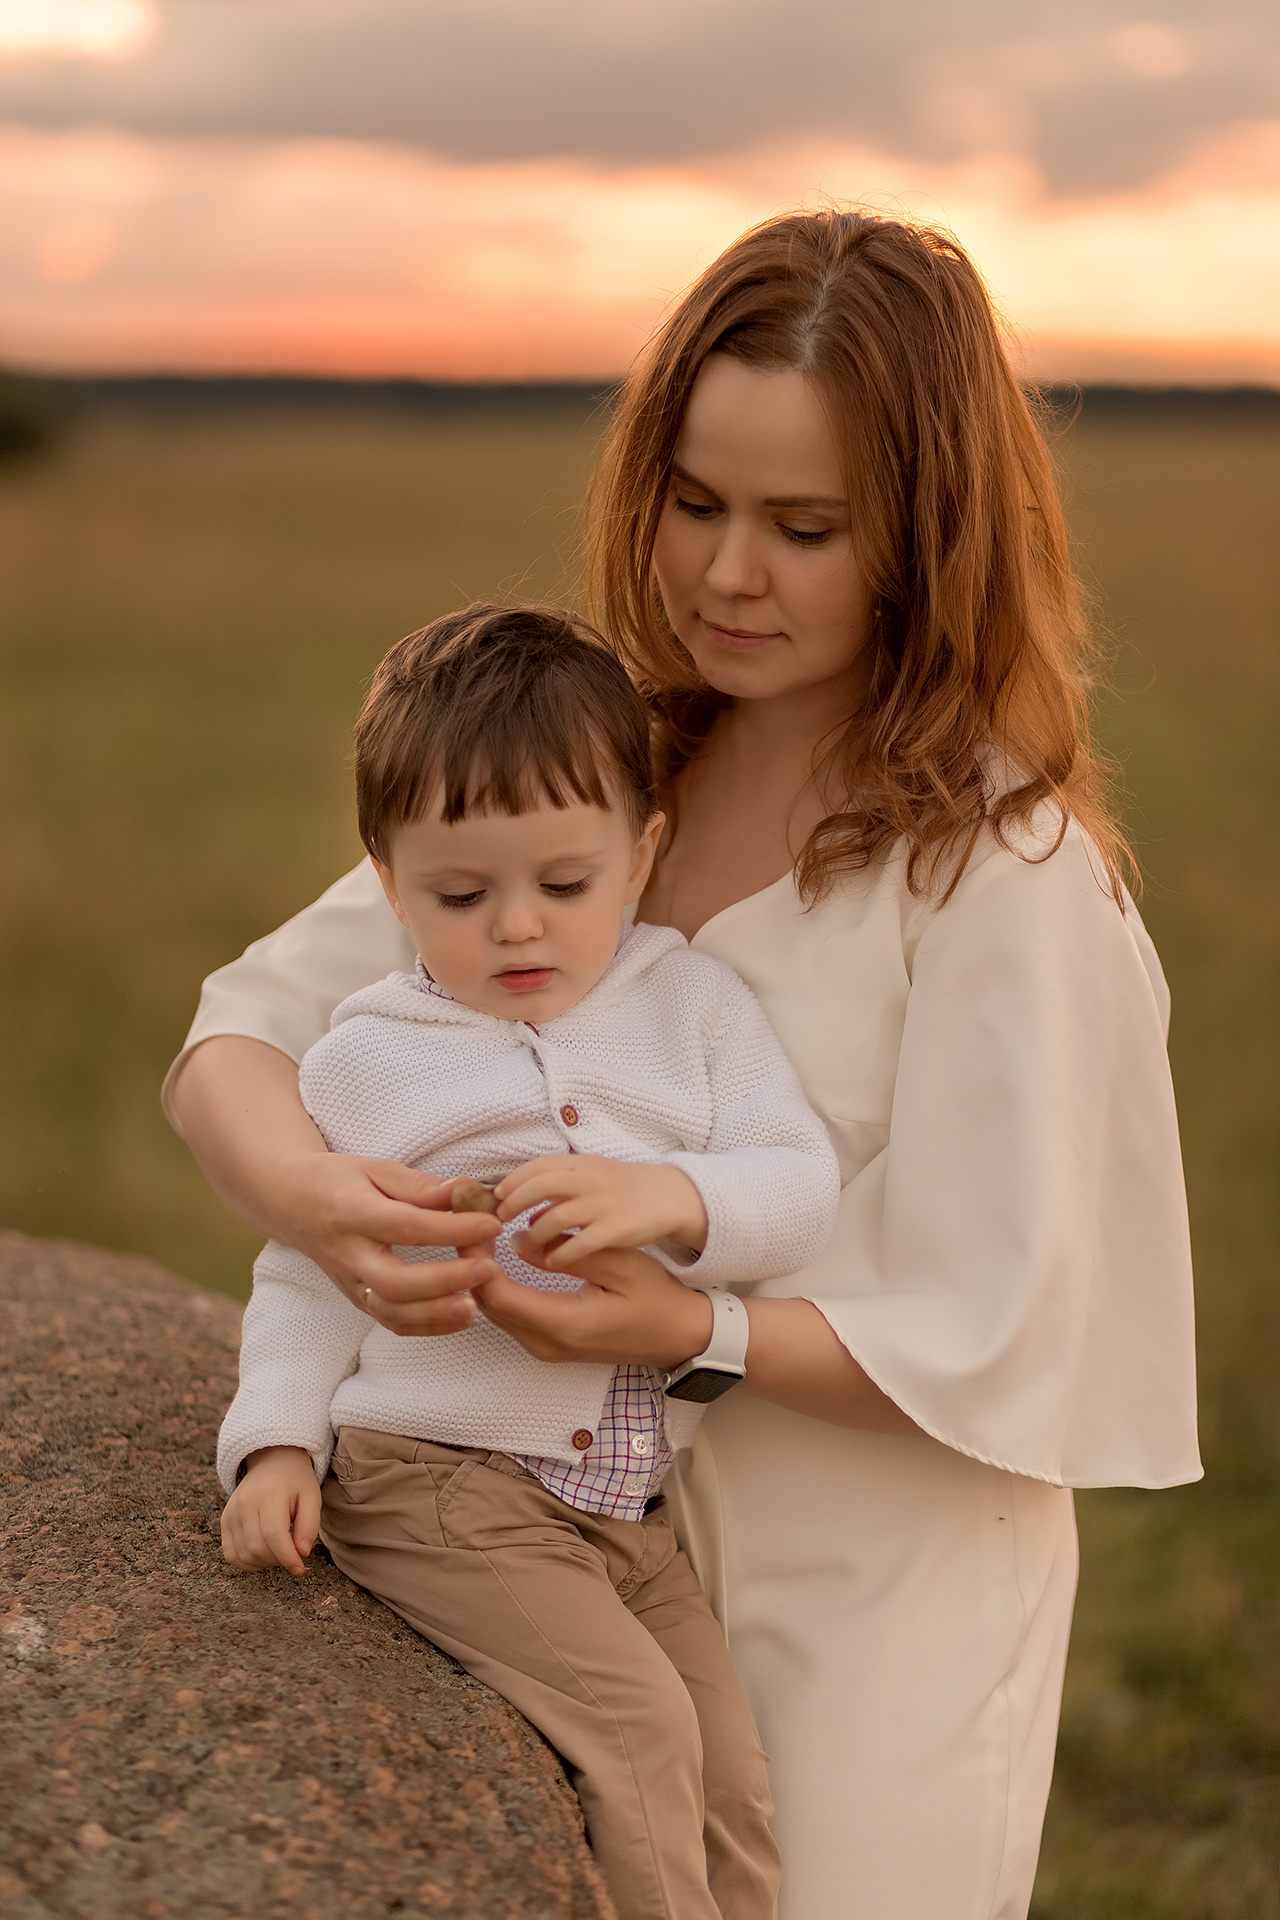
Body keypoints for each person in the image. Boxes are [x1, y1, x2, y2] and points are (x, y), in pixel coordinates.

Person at [166, 209, 1201, 1920]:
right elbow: (241, 1033)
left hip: (878, 1587)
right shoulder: (591, 781)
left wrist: (691, 1325)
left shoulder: (1005, 879)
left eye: (805, 527)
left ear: (927, 541)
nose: (729, 573)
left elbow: (1013, 1324)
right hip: (567, 1540)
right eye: (697, 502)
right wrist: (320, 1207)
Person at [217, 602, 841, 1920]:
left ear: (641, 851)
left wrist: (670, 1196)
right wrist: (277, 1443)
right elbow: (307, 1268)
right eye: (460, 894)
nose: (517, 930)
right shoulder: (367, 1056)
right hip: (446, 1479)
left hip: (630, 1508)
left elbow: (797, 1195)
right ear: (387, 881)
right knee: (643, 1739)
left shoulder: (692, 1007)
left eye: (564, 885)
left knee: (734, 1776)